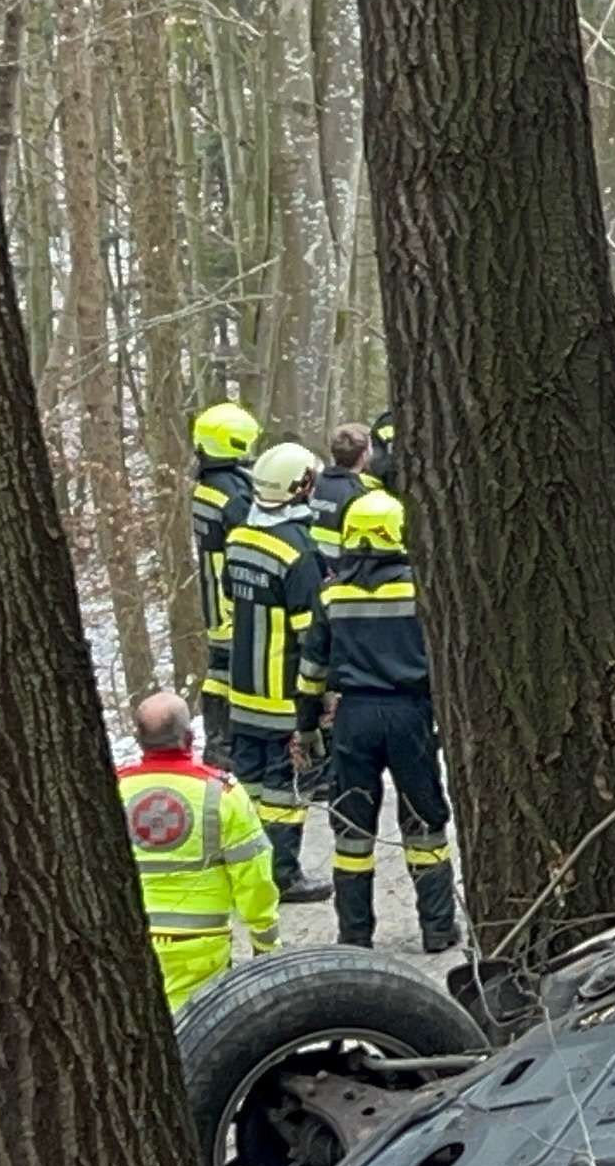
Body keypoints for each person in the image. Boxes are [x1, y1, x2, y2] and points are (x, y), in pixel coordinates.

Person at [309, 492, 460, 952]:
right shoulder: (421, 589)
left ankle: (355, 934)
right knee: (424, 820)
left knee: (352, 828)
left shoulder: (332, 595)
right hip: (409, 714)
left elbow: (312, 670)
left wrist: (305, 726)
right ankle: (437, 928)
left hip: (353, 717)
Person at [116, 689, 283, 1011]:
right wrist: (265, 944)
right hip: (200, 947)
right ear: (190, 737)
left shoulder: (115, 789)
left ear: (138, 739)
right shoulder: (222, 794)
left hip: (129, 940)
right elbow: (254, 878)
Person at [221, 442, 331, 903]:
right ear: (300, 487)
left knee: (245, 788)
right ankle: (282, 875)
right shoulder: (299, 552)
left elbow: (231, 597)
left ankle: (243, 874)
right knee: (285, 791)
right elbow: (313, 634)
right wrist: (322, 697)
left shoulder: (239, 539)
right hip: (283, 696)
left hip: (242, 692)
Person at [189, 402, 263, 745]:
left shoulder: (209, 484)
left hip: (213, 593)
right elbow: (254, 536)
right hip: (230, 593)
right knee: (233, 665)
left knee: (219, 666)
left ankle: (218, 738)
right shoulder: (234, 494)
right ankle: (227, 740)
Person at [308, 422, 382, 563]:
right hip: (340, 567)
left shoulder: (314, 483)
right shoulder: (359, 493)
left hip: (312, 562)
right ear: (364, 455)